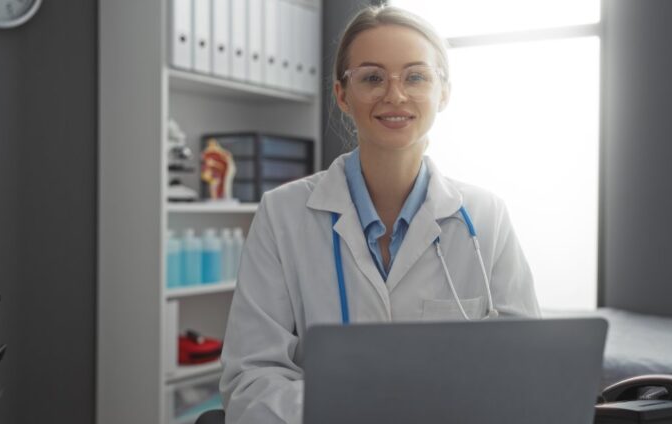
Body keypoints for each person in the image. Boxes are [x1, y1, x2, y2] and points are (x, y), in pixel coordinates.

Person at [220, 5, 540, 423]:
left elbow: (526, 371)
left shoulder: (485, 216)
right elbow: (251, 377)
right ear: (342, 95)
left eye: (416, 76)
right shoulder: (282, 213)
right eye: (372, 77)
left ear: (443, 92)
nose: (395, 95)